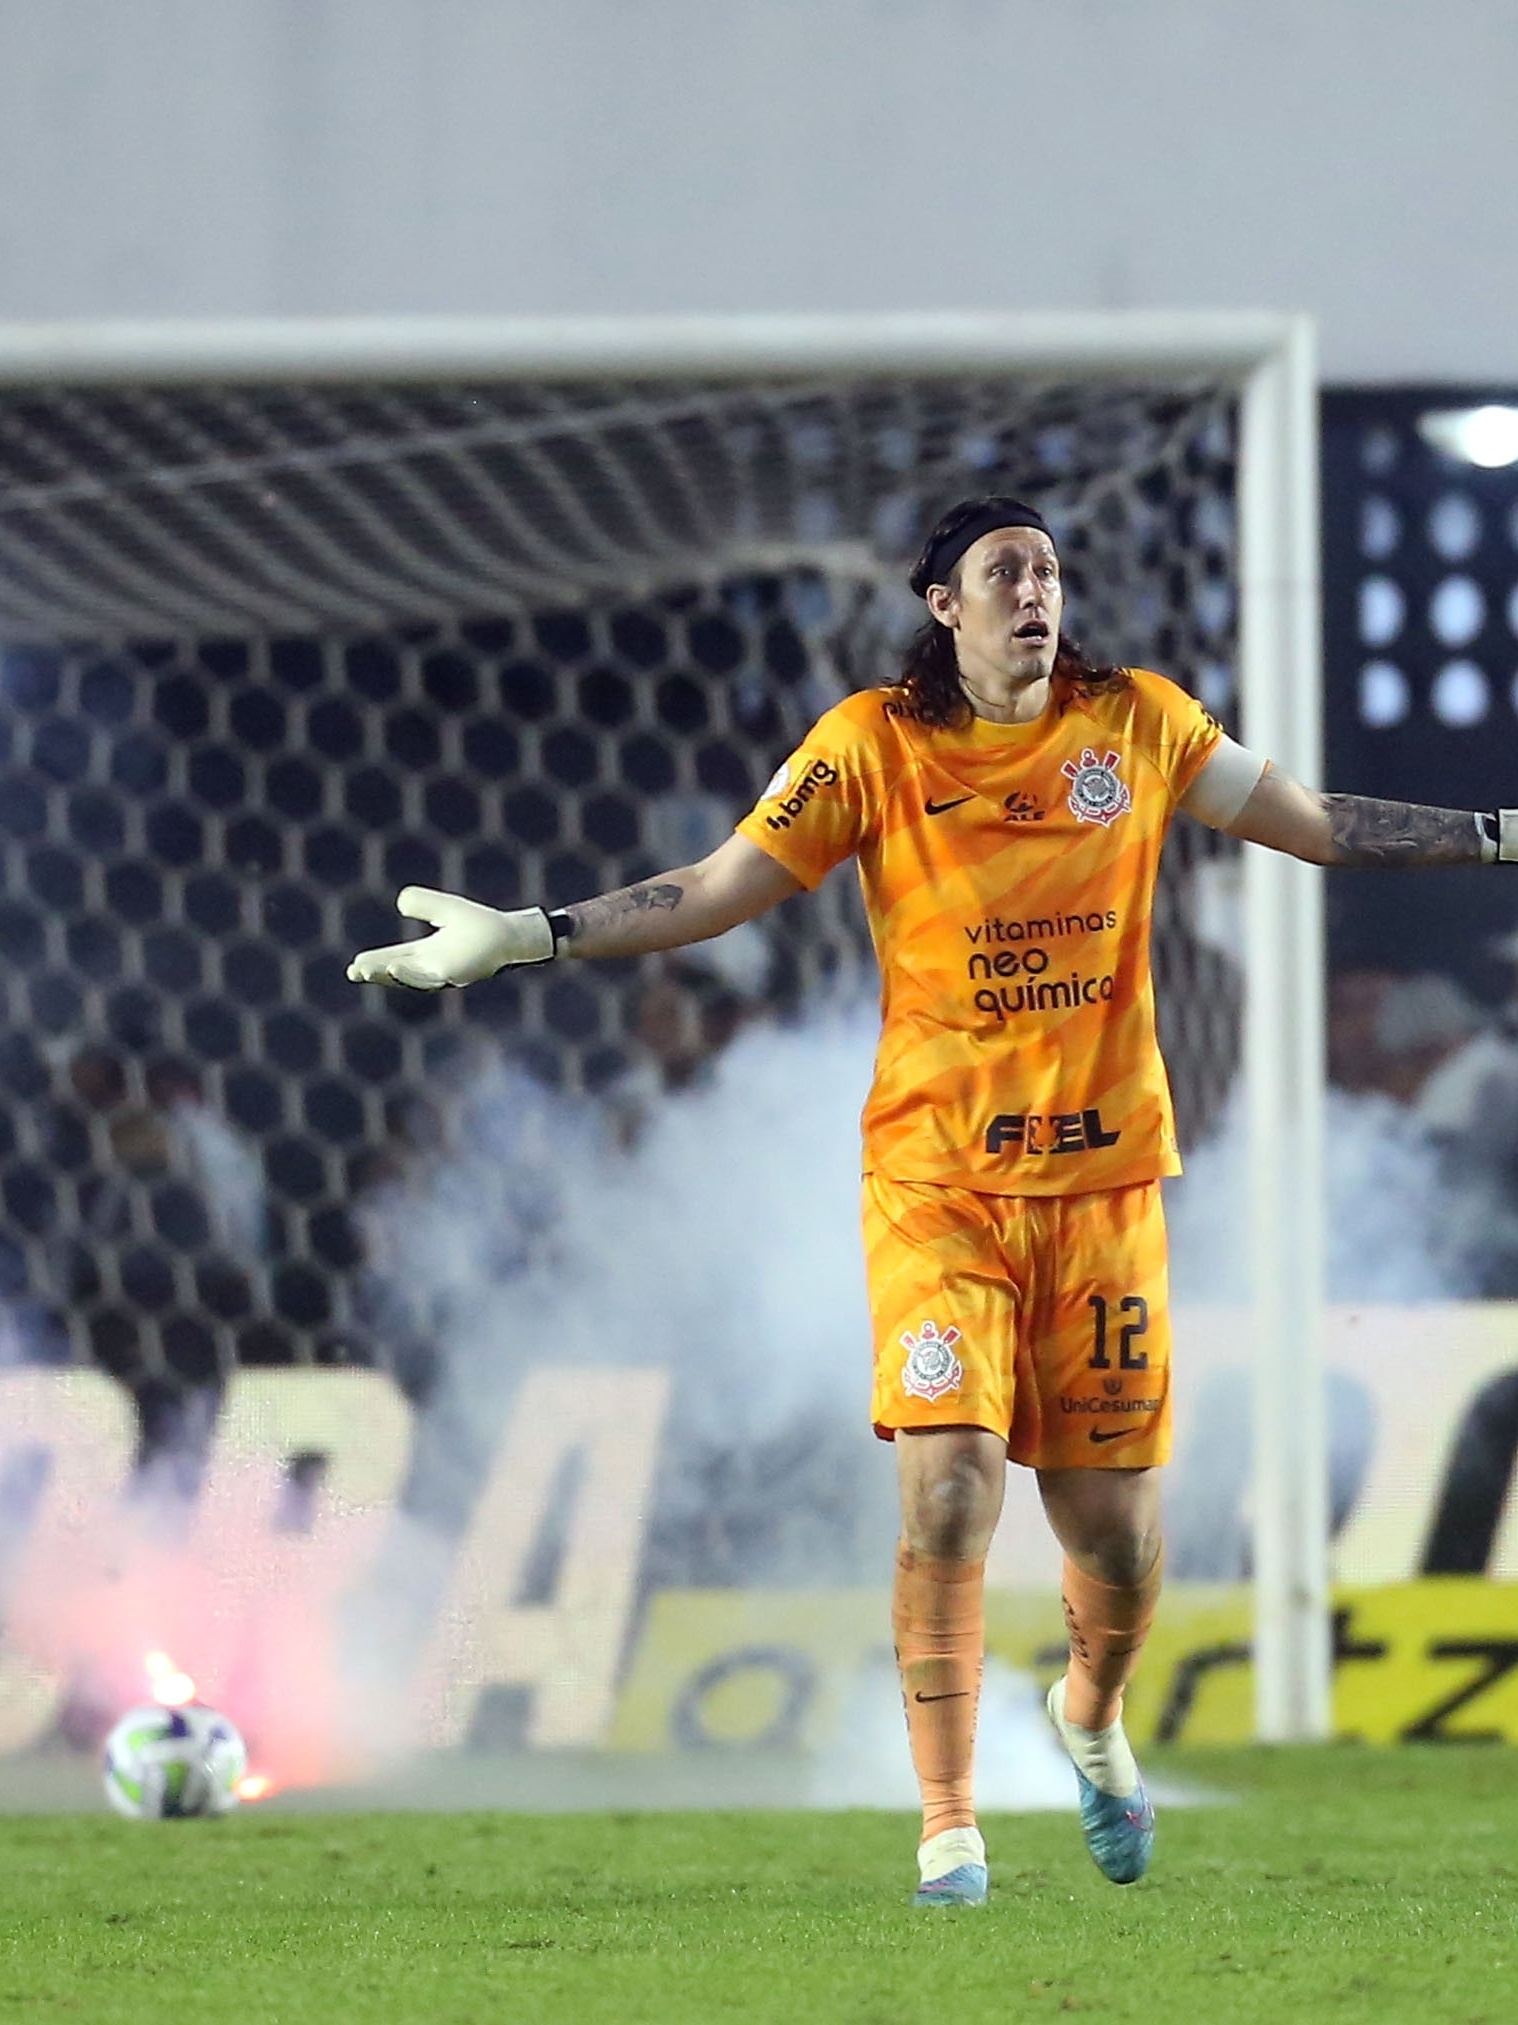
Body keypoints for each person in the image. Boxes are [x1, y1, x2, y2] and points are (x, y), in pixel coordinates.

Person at [348, 495, 1518, 1904]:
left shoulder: (1137, 723)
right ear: (941, 605)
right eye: (1002, 571)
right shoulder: (870, 747)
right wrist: (530, 935)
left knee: (1114, 1541)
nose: (1035, 590)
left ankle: (1087, 1713)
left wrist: (1498, 833)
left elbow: (1319, 825)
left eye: (1047, 569)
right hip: (936, 1184)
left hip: (1100, 1189)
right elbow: (717, 889)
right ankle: (948, 1823)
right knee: (952, 1486)